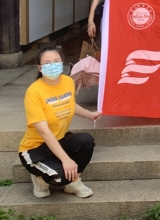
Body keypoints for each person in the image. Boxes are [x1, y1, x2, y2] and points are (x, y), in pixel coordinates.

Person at [18, 47, 102, 199]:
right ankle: (40, 178)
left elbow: (69, 104)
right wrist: (65, 159)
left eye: (56, 61)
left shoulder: (67, 81)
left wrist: (89, 115)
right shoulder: (34, 92)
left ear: (62, 63)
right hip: (35, 148)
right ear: (40, 68)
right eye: (47, 63)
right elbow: (44, 131)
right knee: (61, 176)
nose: (52, 65)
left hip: (59, 139)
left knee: (86, 141)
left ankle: (72, 183)